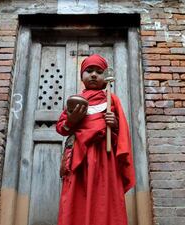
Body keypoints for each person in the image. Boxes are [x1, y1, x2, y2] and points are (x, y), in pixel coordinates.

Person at [56, 54, 136, 225]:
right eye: (89, 71)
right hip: (79, 158)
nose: (93, 75)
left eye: (99, 72)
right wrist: (71, 121)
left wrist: (114, 125)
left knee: (104, 198)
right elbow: (61, 129)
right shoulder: (75, 101)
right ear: (81, 76)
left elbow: (121, 135)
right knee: (76, 197)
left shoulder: (111, 100)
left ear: (106, 78)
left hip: (105, 158)